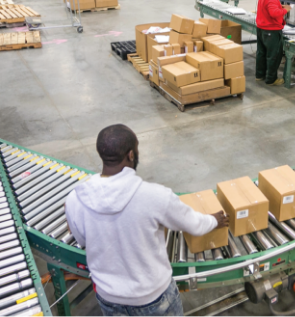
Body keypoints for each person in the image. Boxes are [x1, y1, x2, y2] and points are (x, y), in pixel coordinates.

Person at [65, 124, 229, 316]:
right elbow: (194, 224)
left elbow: (84, 240)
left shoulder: (75, 199)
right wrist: (213, 220)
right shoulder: (155, 196)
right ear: (131, 155)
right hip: (153, 297)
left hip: (108, 297)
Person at [255, 0, 291, 86]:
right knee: (273, 56)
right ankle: (271, 79)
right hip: (270, 30)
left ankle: (259, 75)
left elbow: (268, 7)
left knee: (261, 53)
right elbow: (274, 13)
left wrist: (279, 6)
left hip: (261, 28)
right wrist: (285, 10)